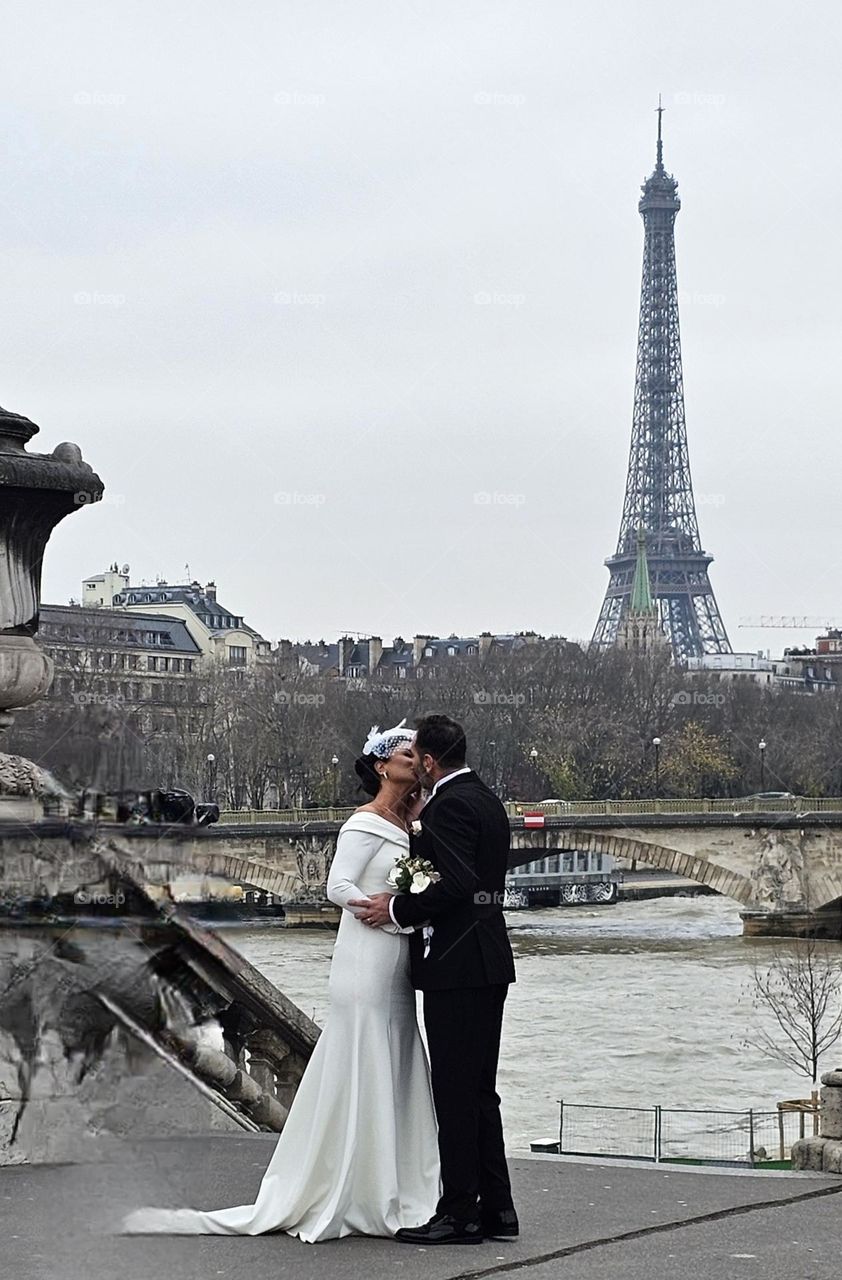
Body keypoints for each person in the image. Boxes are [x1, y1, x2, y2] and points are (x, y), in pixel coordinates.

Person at [122, 720, 439, 1242]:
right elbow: (336, 886)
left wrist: (404, 911)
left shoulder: (410, 823)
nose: (415, 757)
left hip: (396, 955)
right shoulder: (362, 824)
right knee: (368, 1054)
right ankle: (368, 1185)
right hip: (367, 954)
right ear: (382, 765)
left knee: (397, 1054)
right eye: (405, 752)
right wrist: (387, 909)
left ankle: (394, 1178)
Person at [351, 713, 518, 1246]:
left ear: (427, 761)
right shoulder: (487, 801)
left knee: (452, 1092)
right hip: (489, 959)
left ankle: (460, 1215)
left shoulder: (446, 808)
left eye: (416, 758)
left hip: (454, 965)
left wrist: (398, 907)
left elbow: (457, 885)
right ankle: (498, 1210)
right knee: (480, 1092)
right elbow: (480, 883)